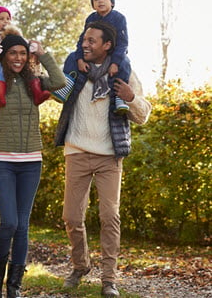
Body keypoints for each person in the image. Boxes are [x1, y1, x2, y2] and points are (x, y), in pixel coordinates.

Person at [55, 20, 152, 297]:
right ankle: (80, 265)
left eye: (91, 41)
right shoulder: (76, 69)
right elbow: (52, 88)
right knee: (72, 216)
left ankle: (109, 279)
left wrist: (131, 97)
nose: (85, 44)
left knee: (110, 216)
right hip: (77, 151)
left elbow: (143, 115)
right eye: (84, 40)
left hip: (109, 156)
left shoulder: (123, 73)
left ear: (107, 45)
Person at [0, 31, 66, 298]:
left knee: (23, 226)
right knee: (9, 223)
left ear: (28, 57)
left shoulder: (35, 81)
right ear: (5, 55)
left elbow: (60, 82)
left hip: (31, 161)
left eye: (23, 53)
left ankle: (14, 286)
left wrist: (43, 54)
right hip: (2, 159)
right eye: (13, 53)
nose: (18, 58)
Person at [65, 0, 131, 114]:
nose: (100, 1)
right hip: (93, 52)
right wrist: (79, 59)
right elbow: (82, 40)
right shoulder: (91, 18)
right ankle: (67, 85)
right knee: (72, 57)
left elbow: (123, 42)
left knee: (125, 62)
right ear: (93, 4)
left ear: (112, 2)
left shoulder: (118, 18)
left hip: (114, 53)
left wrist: (115, 63)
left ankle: (119, 97)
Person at [0, 3, 50, 107]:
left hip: (16, 64)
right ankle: (0, 94)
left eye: (8, 18)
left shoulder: (14, 33)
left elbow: (23, 42)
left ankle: (37, 93)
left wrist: (31, 46)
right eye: (1, 19)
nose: (6, 21)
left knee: (29, 71)